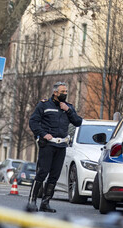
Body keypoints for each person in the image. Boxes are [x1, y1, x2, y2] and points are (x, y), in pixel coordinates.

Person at [27, 81, 83, 212]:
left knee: (54, 175)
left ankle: (45, 203)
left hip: (61, 145)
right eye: (62, 92)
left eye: (66, 92)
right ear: (55, 93)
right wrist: (42, 134)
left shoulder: (68, 107)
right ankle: (32, 202)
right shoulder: (44, 105)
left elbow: (78, 122)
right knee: (42, 172)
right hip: (48, 144)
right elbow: (33, 121)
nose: (65, 94)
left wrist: (68, 110)